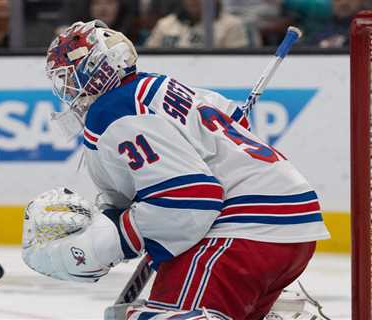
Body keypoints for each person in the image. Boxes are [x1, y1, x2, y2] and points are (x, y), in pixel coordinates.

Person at [22, 20, 330, 319]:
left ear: (98, 70)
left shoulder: (114, 109)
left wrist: (114, 238)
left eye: (70, 76)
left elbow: (192, 200)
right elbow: (235, 123)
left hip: (241, 232)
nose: (66, 87)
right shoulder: (161, 86)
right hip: (289, 228)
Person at [145, 0, 250, 48]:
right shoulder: (165, 24)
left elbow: (235, 62)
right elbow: (151, 51)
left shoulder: (232, 24)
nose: (193, 1)